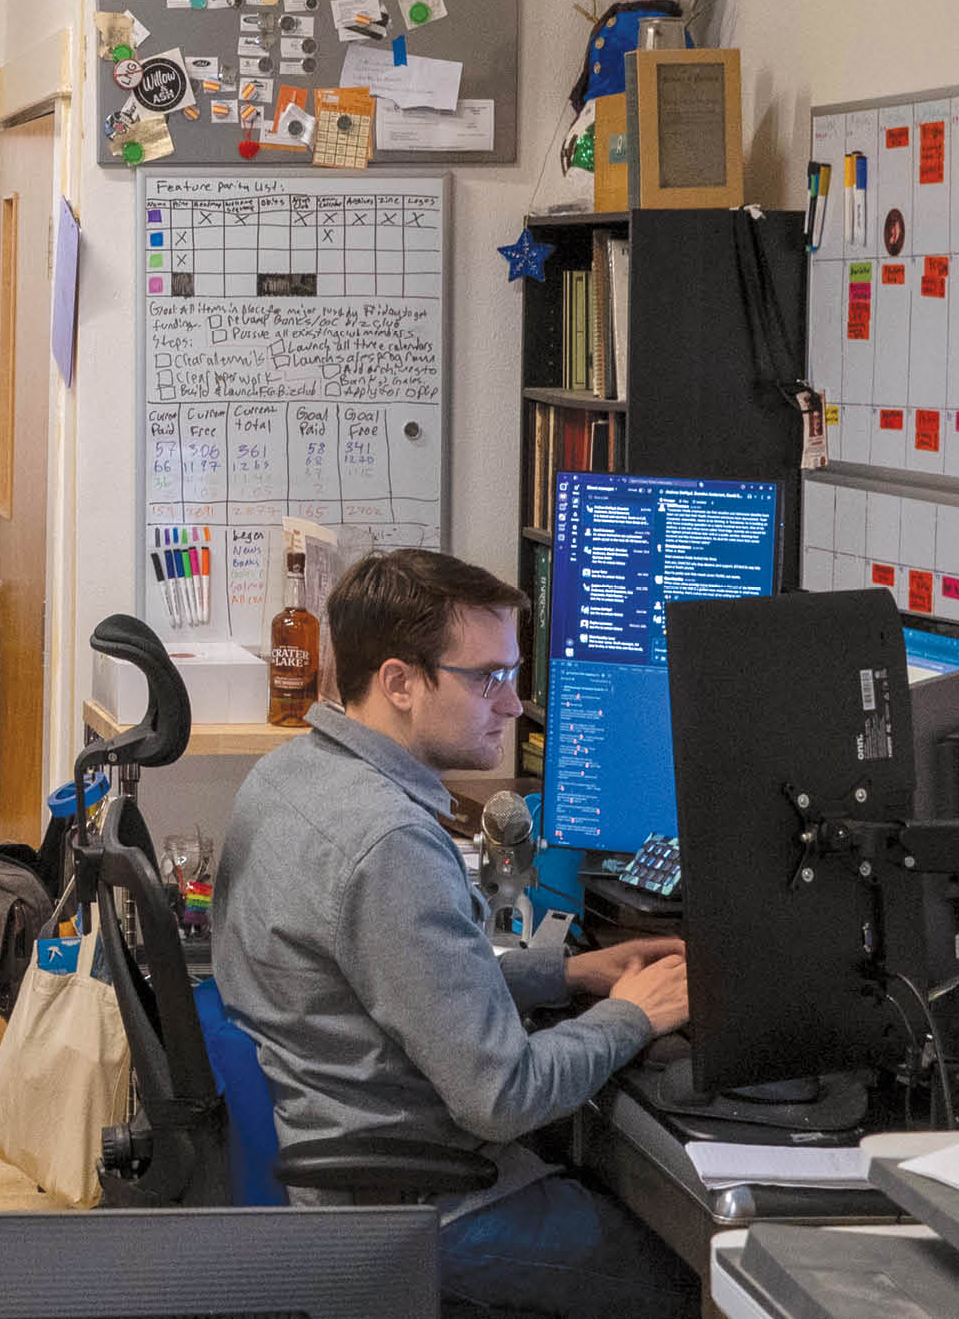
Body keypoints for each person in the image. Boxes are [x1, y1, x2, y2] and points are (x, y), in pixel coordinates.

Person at [212, 549, 697, 1319]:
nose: (511, 704)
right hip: (419, 1203)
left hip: (342, 1149)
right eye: (488, 677)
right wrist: (632, 1015)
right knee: (695, 1275)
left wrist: (566, 975)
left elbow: (389, 980)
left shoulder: (291, 774)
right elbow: (501, 1097)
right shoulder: (388, 843)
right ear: (399, 682)